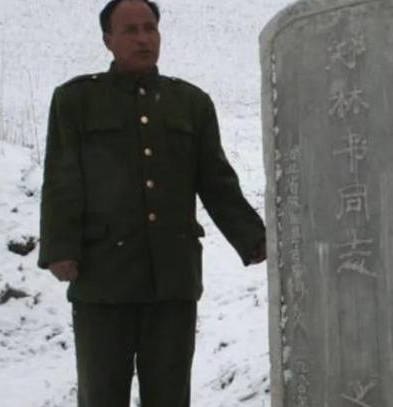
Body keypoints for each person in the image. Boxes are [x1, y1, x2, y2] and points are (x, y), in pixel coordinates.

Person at [37, 0, 267, 405]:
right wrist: (60, 248)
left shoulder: (191, 103)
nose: (144, 39)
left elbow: (216, 181)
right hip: (102, 279)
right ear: (108, 40)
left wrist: (253, 239)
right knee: (101, 395)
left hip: (172, 281)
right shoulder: (76, 101)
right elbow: (61, 178)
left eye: (150, 28)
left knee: (170, 396)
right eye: (131, 30)